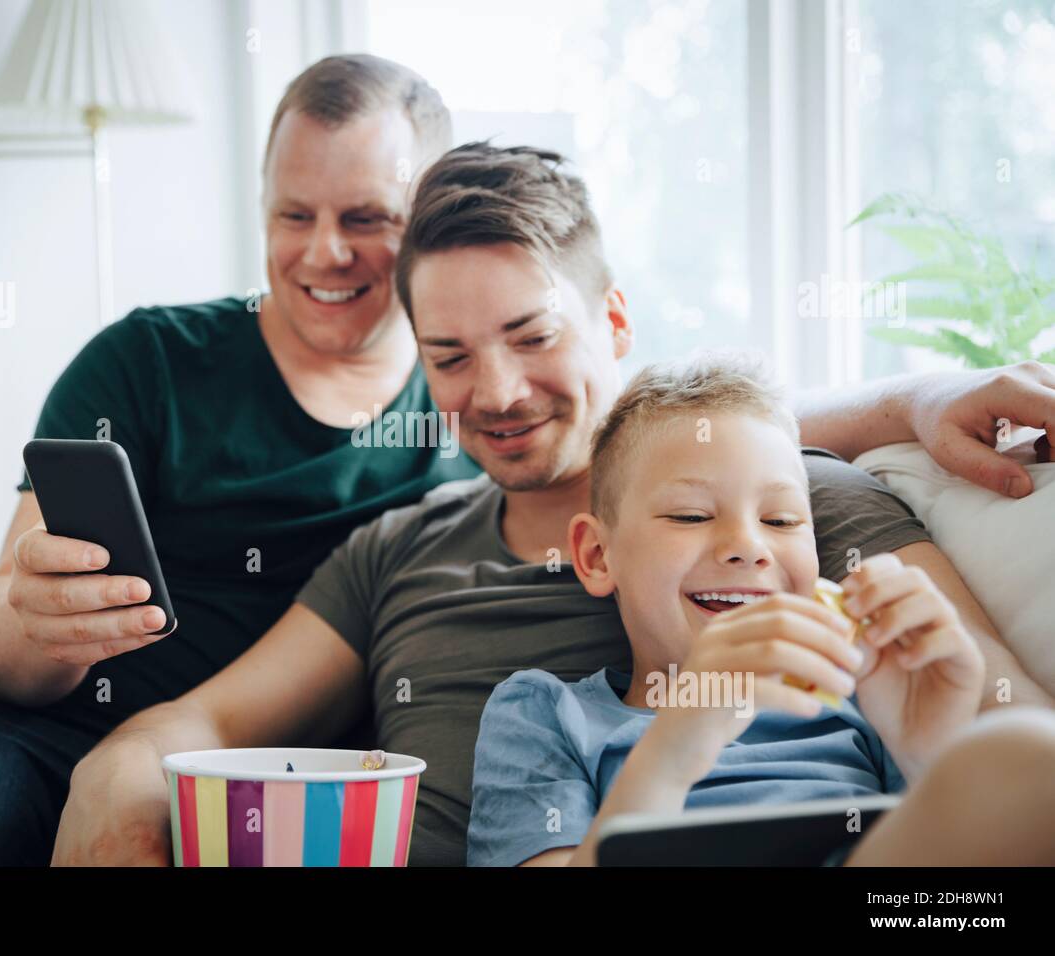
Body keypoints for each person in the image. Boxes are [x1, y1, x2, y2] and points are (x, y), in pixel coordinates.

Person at [51, 142, 1054, 867]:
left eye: (531, 335)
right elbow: (211, 717)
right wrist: (120, 767)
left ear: (613, 321)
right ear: (593, 552)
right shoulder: (401, 549)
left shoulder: (803, 504)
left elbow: (1011, 743)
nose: (493, 392)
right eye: (448, 357)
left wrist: (905, 400)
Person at [0, 54, 477, 866]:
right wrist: (40, 621)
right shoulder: (147, 362)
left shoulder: (478, 408)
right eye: (294, 216)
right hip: (24, 731)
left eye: (365, 218)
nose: (324, 253)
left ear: (427, 219)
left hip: (267, 773)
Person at [466, 353, 1055, 866]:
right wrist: (675, 747)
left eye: (780, 521)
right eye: (691, 516)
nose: (748, 546)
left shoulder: (868, 700)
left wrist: (927, 754)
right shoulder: (544, 713)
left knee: (1027, 756)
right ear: (597, 555)